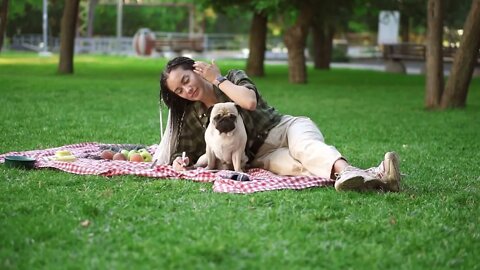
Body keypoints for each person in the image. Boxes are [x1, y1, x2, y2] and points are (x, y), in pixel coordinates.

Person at [153, 56, 401, 192]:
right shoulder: (195, 116)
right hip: (262, 155)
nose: (187, 89)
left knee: (306, 148)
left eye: (186, 79)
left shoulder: (231, 77)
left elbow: (248, 101)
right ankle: (378, 177)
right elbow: (184, 151)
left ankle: (350, 171)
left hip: (283, 128)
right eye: (179, 90)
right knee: (301, 168)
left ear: (197, 69)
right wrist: (179, 160)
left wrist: (217, 80)